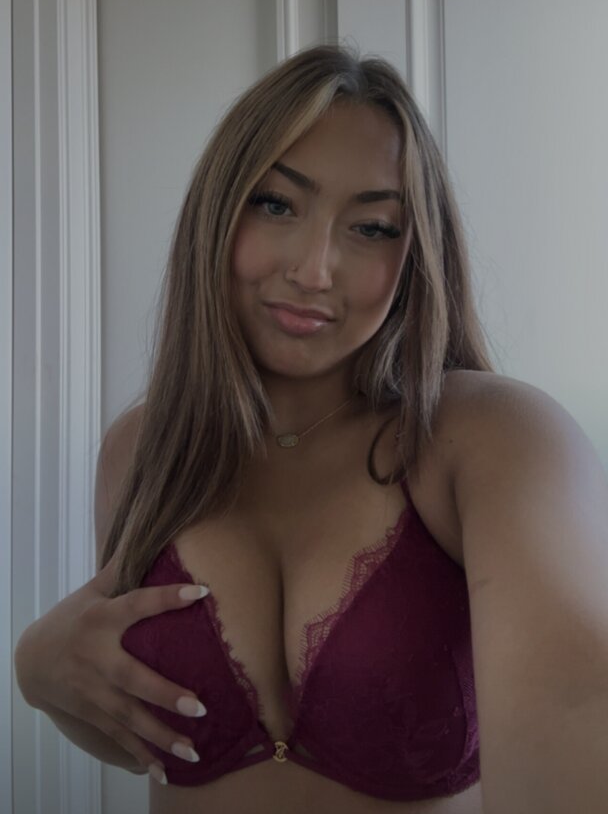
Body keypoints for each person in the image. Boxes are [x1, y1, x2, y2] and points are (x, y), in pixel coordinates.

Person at [15, 44, 605, 814]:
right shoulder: (142, 452)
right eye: (276, 205)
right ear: (218, 211)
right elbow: (138, 735)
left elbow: (577, 712)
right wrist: (37, 672)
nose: (315, 269)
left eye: (372, 227)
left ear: (416, 252)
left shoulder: (489, 439)